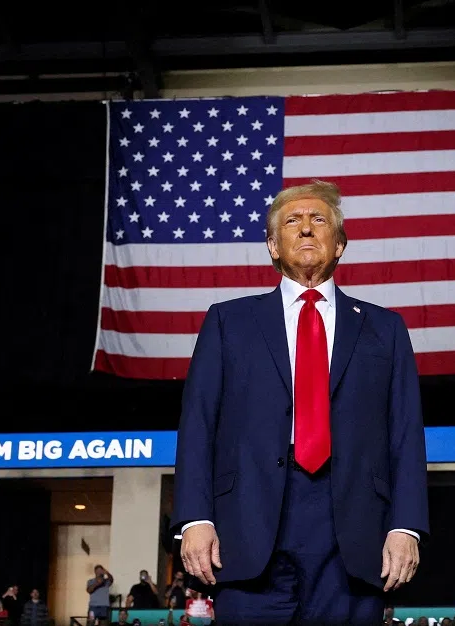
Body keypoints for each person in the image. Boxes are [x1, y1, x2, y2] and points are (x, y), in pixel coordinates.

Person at [172, 179, 430, 626]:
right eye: (292, 221)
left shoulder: (385, 329)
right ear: (273, 246)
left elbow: (406, 434)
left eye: (319, 220)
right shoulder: (228, 321)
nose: (306, 228)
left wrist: (405, 526)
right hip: (246, 525)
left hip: (352, 530)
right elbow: (198, 425)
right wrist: (195, 518)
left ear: (340, 244)